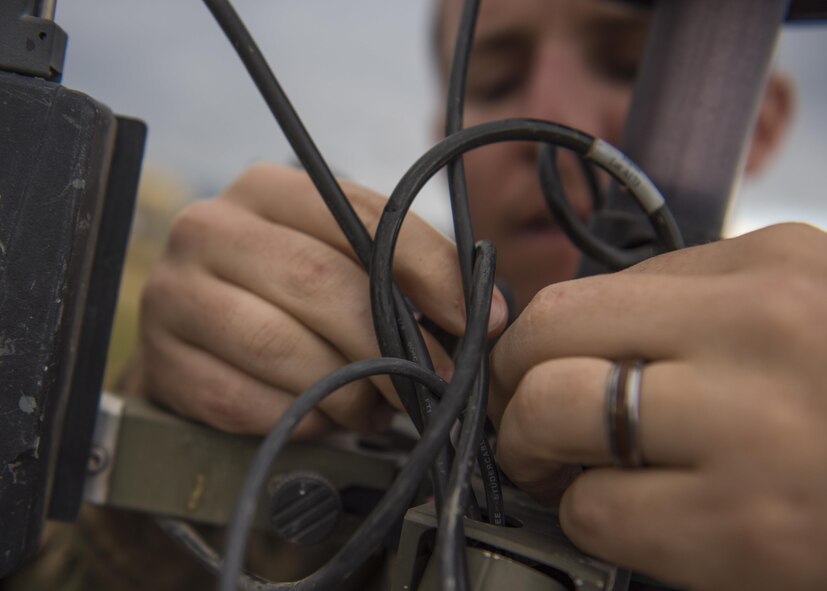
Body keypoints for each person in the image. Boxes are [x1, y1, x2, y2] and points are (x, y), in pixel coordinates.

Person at [6, 0, 825, 590]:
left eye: (629, 64)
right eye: (499, 77)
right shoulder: (363, 399)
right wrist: (172, 440)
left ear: (759, 122)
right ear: (449, 127)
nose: (556, 116)